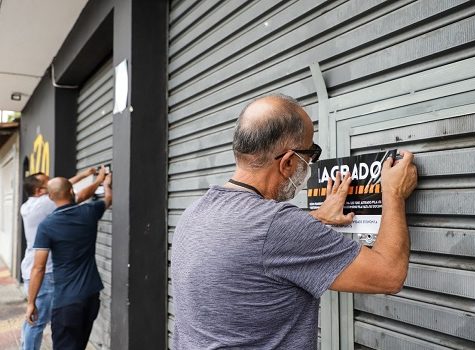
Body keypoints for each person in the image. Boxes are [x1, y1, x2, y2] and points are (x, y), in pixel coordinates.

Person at [170, 93, 418, 349]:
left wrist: (317, 217)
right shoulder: (278, 226)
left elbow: (249, 243)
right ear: (288, 162)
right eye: (312, 153)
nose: (310, 163)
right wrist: (392, 193)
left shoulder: (195, 213)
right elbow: (389, 275)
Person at [24, 170, 112, 350]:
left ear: (50, 197)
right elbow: (108, 199)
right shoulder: (89, 212)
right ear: (71, 191)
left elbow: (38, 268)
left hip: (66, 302)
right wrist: (106, 184)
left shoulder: (47, 225)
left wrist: (31, 302)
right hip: (91, 296)